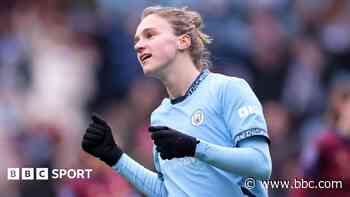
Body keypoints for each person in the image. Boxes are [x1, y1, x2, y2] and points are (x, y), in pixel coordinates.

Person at [82, 5, 272, 197]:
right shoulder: (160, 116)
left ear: (183, 41)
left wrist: (194, 148)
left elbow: (260, 164)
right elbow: (168, 192)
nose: (138, 45)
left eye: (150, 35)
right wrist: (114, 156)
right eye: (137, 39)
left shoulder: (228, 89)